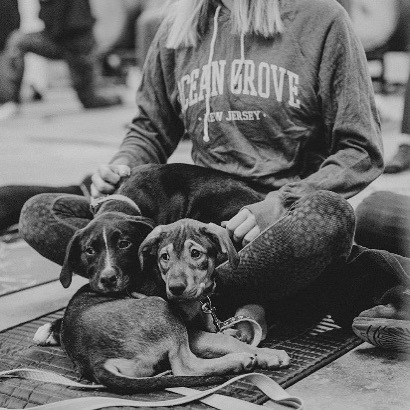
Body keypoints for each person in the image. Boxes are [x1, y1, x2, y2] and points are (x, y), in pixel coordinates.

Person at [20, 0, 410, 349]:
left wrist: (282, 202)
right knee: (41, 213)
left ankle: (162, 301)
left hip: (272, 230)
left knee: (329, 215)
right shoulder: (174, 25)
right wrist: (124, 165)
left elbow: (361, 150)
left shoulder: (321, 18)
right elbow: (151, 129)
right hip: (185, 224)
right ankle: (271, 297)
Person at [0, 0, 122, 121]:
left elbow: (78, 25)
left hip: (79, 45)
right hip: (56, 41)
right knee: (18, 41)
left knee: (90, 100)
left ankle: (118, 97)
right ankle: (10, 102)